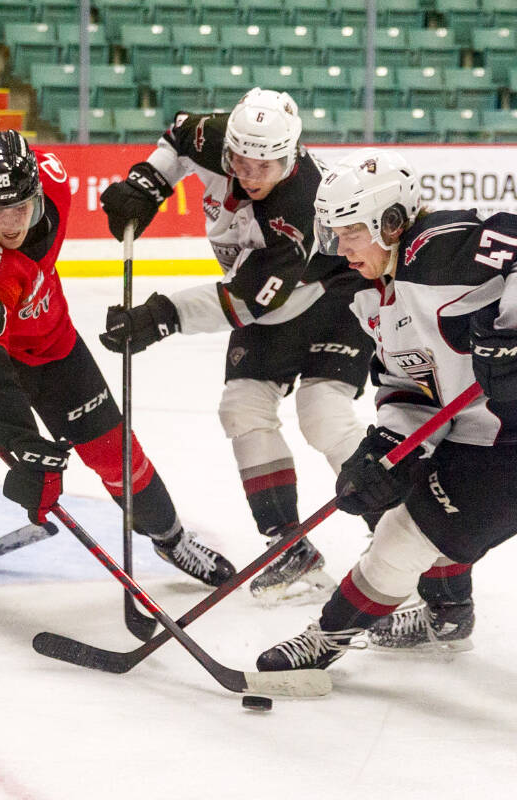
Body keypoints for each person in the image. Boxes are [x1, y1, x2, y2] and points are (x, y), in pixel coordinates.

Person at [255, 148, 517, 672]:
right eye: (333, 232)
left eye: (351, 232)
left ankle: (327, 638)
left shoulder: (443, 246)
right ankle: (447, 615)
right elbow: (407, 384)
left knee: (409, 530)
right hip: (483, 425)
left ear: (391, 221)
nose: (340, 248)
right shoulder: (369, 294)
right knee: (411, 489)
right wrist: (384, 448)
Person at [0, 126, 237, 623]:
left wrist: (137, 197)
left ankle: (171, 538)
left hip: (44, 339)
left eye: (18, 208)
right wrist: (26, 451)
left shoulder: (53, 178)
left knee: (114, 452)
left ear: (36, 189)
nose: (9, 224)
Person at [97, 88, 374, 604]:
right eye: (240, 161)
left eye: (264, 167)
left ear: (290, 156)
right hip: (267, 295)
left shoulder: (302, 206)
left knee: (323, 414)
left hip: (335, 296)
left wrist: (159, 317)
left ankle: (396, 536)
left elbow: (249, 303)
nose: (249, 175)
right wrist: (149, 182)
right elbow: (179, 135)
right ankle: (289, 550)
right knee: (242, 407)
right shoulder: (218, 135)